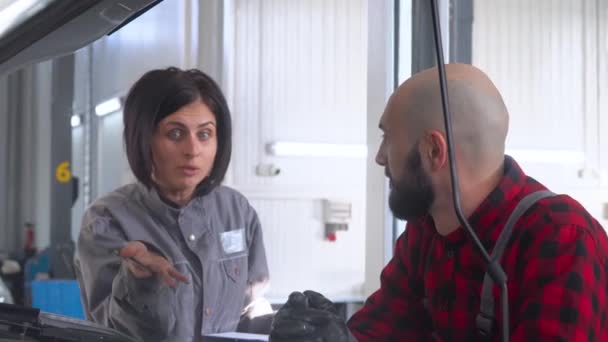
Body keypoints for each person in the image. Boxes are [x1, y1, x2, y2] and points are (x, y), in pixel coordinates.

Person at [269, 64, 608, 341]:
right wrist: (333, 337)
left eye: (388, 138)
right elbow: (383, 329)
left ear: (434, 151)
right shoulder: (428, 230)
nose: (380, 157)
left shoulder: (562, 237)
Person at [75, 67, 272, 342]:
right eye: (175, 134)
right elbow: (105, 332)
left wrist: (290, 325)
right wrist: (138, 284)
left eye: (204, 134)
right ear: (143, 139)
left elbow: (250, 309)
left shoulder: (237, 212)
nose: (193, 150)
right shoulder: (107, 221)